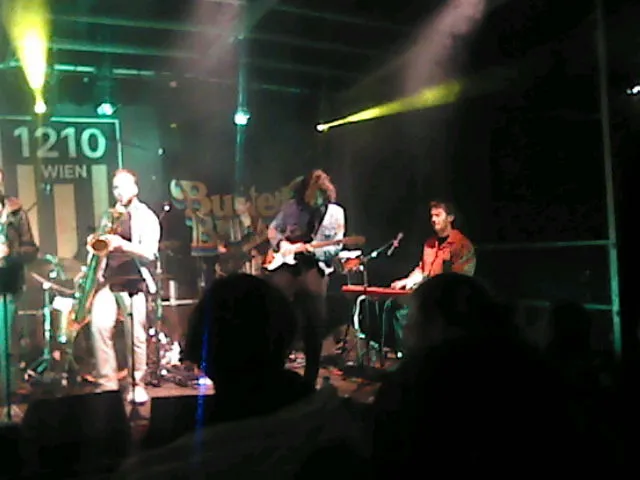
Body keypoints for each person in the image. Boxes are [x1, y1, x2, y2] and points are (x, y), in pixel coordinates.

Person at [266, 169, 345, 387]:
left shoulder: (335, 213)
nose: (313, 200)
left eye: (317, 195)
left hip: (314, 266)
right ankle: (274, 368)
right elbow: (273, 229)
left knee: (315, 321)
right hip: (288, 265)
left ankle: (310, 377)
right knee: (277, 312)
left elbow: (336, 244)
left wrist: (315, 250)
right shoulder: (291, 207)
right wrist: (282, 244)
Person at [89, 169, 160, 404]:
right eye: (115, 187)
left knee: (135, 335)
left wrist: (122, 245)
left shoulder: (146, 216)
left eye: (123, 186)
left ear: (135, 188)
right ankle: (107, 383)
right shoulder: (109, 216)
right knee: (99, 326)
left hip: (134, 282)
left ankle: (137, 384)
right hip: (109, 281)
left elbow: (149, 252)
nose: (118, 192)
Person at [384, 200, 475, 354]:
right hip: (427, 297)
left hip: (448, 300)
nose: (433, 219)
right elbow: (423, 269)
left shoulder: (461, 245)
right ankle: (404, 354)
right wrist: (407, 281)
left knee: (410, 314)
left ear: (450, 217)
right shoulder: (430, 243)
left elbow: (460, 279)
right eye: (432, 216)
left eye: (438, 215)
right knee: (393, 306)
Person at [0, 168, 39, 405]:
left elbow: (31, 249)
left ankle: (7, 395)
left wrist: (10, 252)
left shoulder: (16, 212)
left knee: (6, 342)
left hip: (8, 284)